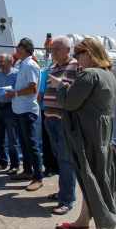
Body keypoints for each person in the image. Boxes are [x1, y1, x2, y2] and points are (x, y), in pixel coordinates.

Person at [50, 38, 116, 229]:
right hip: (103, 135)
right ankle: (82, 222)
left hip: (88, 135)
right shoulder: (109, 75)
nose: (77, 59)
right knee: (95, 178)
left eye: (79, 54)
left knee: (93, 179)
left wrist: (61, 86)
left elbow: (69, 103)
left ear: (89, 53)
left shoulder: (89, 74)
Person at [42, 36, 78, 215]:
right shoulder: (54, 67)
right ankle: (63, 192)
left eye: (57, 49)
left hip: (64, 120)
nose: (53, 52)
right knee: (59, 159)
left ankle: (67, 200)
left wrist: (61, 84)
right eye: (52, 49)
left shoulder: (75, 66)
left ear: (67, 50)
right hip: (50, 118)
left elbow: (77, 92)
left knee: (66, 160)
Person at [5, 38, 44, 191]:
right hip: (21, 110)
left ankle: (38, 177)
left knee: (32, 145)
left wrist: (15, 93)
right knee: (25, 143)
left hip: (27, 111)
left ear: (24, 49)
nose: (16, 51)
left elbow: (33, 89)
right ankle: (28, 171)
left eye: (18, 48)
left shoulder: (29, 65)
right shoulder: (24, 64)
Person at [0, 53, 20, 174]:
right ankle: (2, 162)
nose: (0, 64)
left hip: (10, 107)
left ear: (10, 62)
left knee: (12, 138)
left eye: (2, 61)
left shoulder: (17, 74)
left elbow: (19, 91)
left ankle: (15, 165)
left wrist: (12, 92)